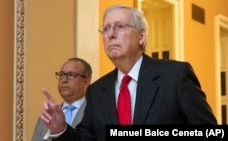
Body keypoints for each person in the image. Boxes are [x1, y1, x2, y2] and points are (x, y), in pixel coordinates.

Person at [40, 5, 217, 141]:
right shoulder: (96, 91)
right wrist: (61, 129)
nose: (111, 34)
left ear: (141, 36)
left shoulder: (176, 76)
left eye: (119, 26)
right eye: (106, 29)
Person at [32, 57, 92, 141]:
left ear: (86, 81)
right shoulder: (48, 116)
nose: (64, 80)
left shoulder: (95, 113)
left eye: (71, 75)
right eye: (61, 74)